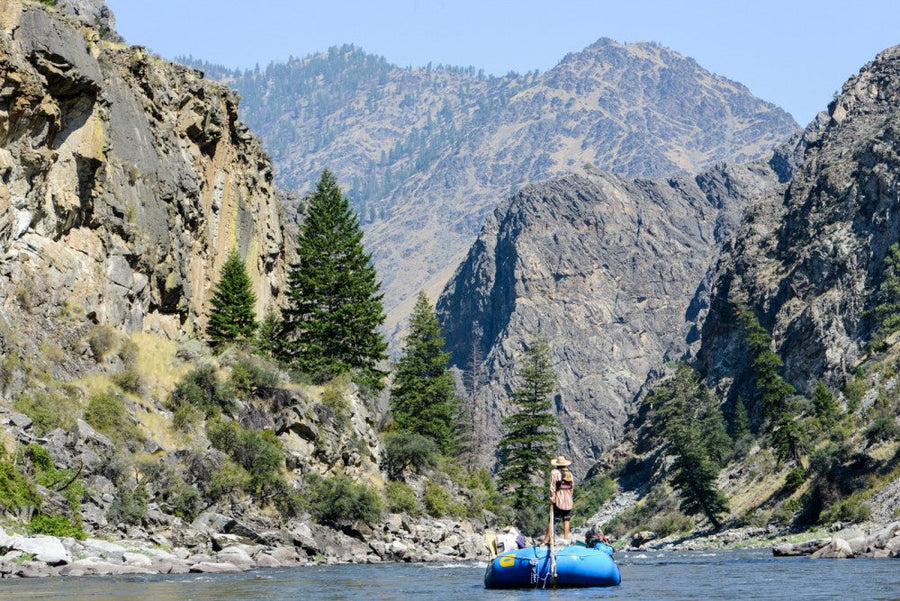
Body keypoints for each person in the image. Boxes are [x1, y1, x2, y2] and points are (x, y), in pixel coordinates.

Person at [541, 455, 574, 544]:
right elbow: (572, 488)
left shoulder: (554, 472)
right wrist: (569, 496)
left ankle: (546, 539)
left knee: (552, 520)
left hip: (558, 499)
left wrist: (552, 499)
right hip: (568, 500)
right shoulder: (569, 473)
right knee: (566, 519)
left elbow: (552, 487)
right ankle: (566, 539)